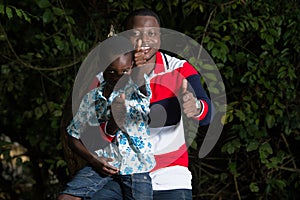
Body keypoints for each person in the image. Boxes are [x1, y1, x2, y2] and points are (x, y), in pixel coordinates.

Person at [90, 8, 212, 200]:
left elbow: (207, 116)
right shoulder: (107, 76)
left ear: (160, 38)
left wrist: (195, 107)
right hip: (121, 175)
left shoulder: (179, 68)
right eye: (135, 34)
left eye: (151, 34)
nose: (143, 41)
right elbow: (93, 132)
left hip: (169, 176)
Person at [58, 35, 155, 200]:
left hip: (136, 168)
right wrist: (93, 159)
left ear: (132, 66)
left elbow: (139, 78)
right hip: (104, 163)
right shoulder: (93, 97)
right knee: (66, 198)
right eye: (112, 72)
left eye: (125, 71)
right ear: (102, 68)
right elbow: (72, 136)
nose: (119, 77)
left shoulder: (137, 89)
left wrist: (139, 65)